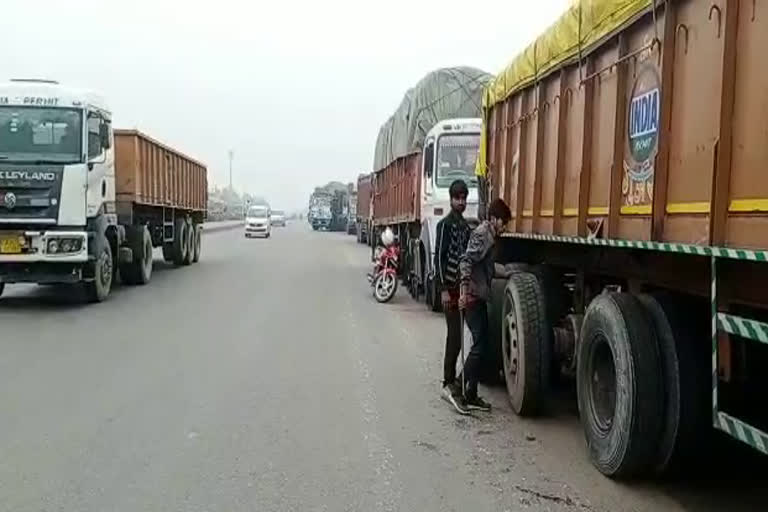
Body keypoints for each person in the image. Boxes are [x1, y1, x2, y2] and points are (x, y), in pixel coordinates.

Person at [458, 197, 512, 411]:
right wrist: (463, 290)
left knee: (483, 344)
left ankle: (471, 394)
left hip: (479, 296)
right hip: (472, 296)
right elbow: (466, 260)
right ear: (494, 219)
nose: (505, 227)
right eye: (503, 222)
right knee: (479, 346)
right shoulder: (483, 234)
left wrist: (506, 271)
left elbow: (486, 267)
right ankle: (458, 384)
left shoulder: (490, 236)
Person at [434, 179, 471, 414]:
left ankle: (458, 383)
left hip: (463, 290)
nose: (461, 202)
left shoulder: (465, 228)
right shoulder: (444, 226)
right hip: (449, 289)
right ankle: (448, 382)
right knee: (454, 336)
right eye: (457, 198)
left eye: (464, 198)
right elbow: (439, 258)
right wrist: (444, 290)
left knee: (461, 336)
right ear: (451, 199)